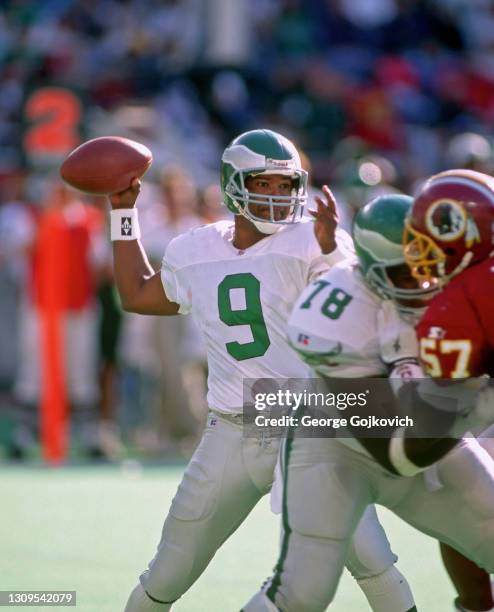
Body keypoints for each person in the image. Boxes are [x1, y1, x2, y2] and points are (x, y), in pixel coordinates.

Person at [109, 129, 416, 611]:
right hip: (229, 430)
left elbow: (361, 304)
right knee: (168, 570)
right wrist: (123, 213)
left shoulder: (311, 240)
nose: (277, 196)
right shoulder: (196, 249)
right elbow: (137, 294)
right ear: (233, 183)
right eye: (264, 184)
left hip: (305, 429)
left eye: (285, 185)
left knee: (370, 556)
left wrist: (333, 249)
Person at [243, 192, 494, 611]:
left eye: (431, 265)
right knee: (301, 593)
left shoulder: (461, 285)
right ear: (374, 272)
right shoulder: (332, 317)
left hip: (432, 426)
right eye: (408, 273)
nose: (427, 281)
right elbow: (399, 453)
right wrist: (476, 387)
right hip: (339, 446)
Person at [404, 168, 494, 612]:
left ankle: (476, 604)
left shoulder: (463, 295)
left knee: (451, 477)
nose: (420, 249)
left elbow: (445, 402)